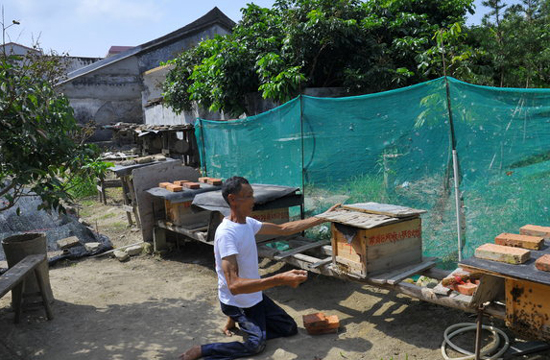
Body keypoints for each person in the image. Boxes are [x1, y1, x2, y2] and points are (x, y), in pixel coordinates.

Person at [179, 176, 339, 360]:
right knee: (256, 346)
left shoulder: (248, 223)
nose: (253, 200)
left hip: (254, 297)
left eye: (252, 195)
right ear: (232, 199)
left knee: (289, 328)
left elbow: (284, 229)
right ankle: (204, 350)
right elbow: (234, 286)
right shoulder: (226, 235)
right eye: (248, 196)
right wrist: (280, 279)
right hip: (237, 302)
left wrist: (322, 218)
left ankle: (245, 324)